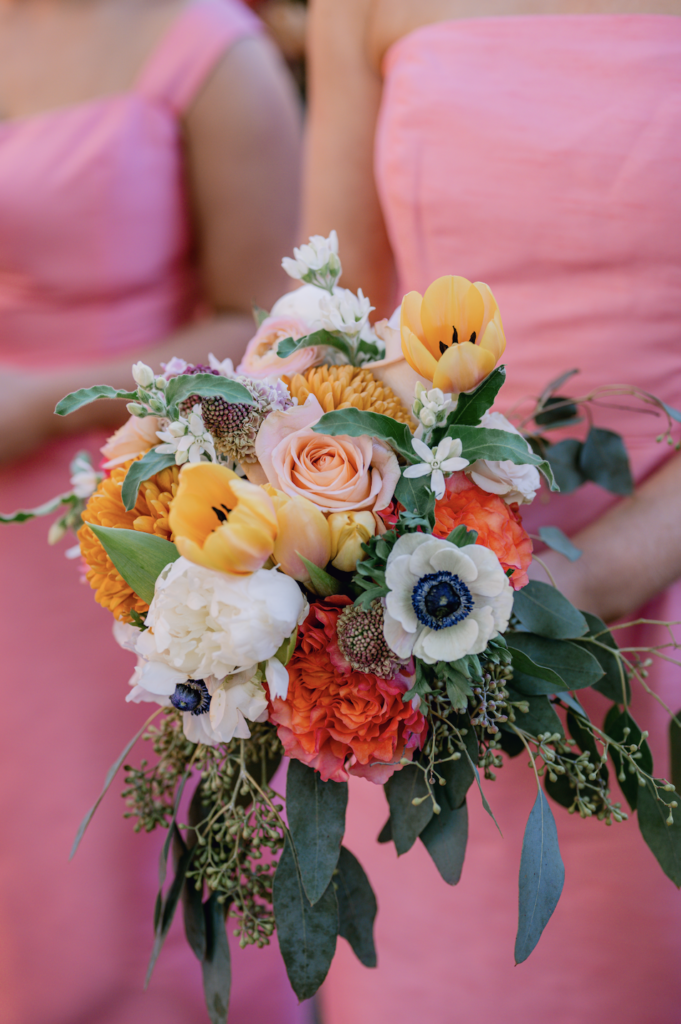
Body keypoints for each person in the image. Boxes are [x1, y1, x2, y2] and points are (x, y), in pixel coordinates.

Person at [302, 1, 681, 1021]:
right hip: (424, 617)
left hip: (655, 608)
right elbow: (328, 319)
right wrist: (295, 541)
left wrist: (580, 584)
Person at [0, 0, 306, 1020]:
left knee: (108, 901)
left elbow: (270, 334)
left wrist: (42, 399)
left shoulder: (214, 49)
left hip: (127, 523)